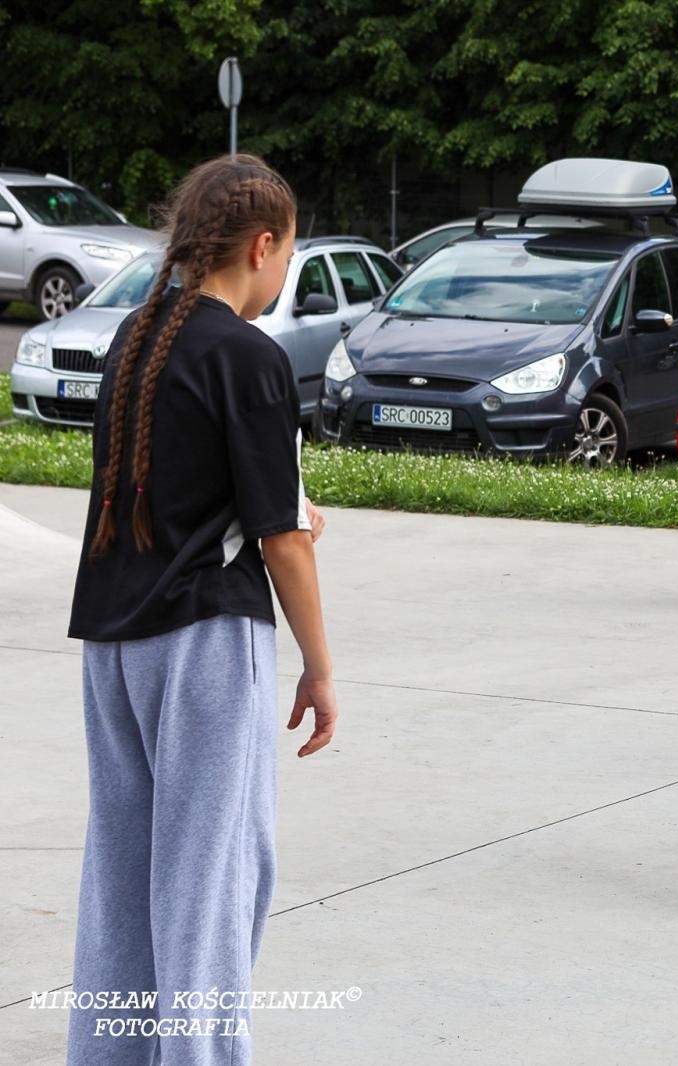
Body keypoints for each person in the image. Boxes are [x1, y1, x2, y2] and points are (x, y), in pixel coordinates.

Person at [65, 154, 339, 1061]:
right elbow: (280, 539)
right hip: (204, 641)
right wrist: (321, 666)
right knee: (210, 881)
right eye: (287, 259)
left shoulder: (134, 338)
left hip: (112, 640)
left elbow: (177, 488)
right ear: (263, 246)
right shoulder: (249, 356)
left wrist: (283, 506)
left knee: (125, 878)